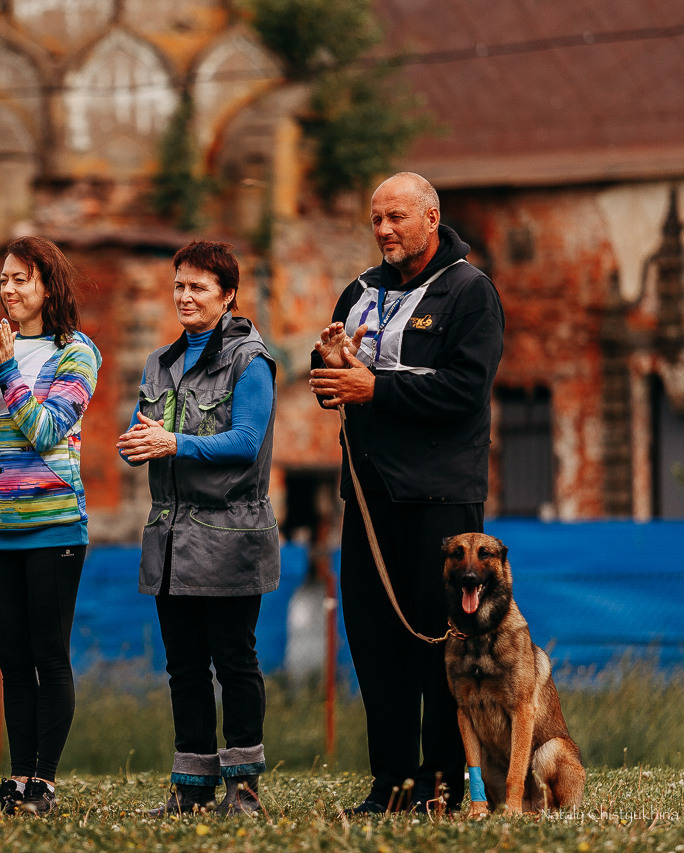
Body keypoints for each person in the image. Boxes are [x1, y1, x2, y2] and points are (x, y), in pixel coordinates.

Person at [309, 172, 505, 815]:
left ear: (431, 217)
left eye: (397, 216)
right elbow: (336, 386)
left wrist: (376, 388)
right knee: (374, 643)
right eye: (376, 219)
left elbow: (465, 392)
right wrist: (334, 369)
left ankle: (441, 785)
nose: (385, 229)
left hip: (440, 500)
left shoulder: (469, 293)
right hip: (369, 501)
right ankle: (390, 785)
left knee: (440, 645)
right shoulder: (358, 293)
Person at [117, 240, 278, 817]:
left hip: (232, 538)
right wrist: (137, 444)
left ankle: (244, 790)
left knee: (234, 661)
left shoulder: (250, 360)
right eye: (179, 285)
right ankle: (190, 790)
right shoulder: (159, 362)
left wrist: (173, 442)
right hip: (169, 540)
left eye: (199, 287)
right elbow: (148, 429)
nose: (185, 296)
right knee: (183, 667)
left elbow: (246, 441)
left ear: (227, 295)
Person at [0, 236, 100, 816]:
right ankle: (16, 780)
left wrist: (9, 369)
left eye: (21, 279)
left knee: (49, 653)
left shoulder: (76, 351)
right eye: (4, 281)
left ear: (48, 285)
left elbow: (46, 431)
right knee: (11, 659)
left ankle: (45, 781)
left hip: (54, 527)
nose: (9, 290)